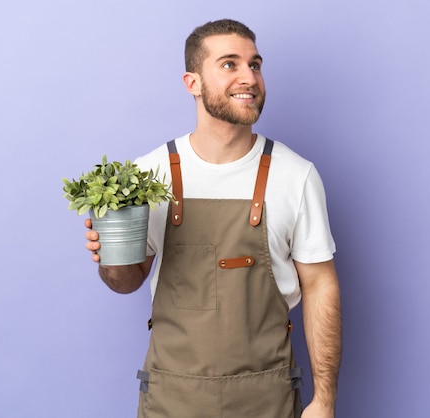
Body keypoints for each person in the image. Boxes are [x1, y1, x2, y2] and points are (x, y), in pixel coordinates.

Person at [84, 19, 342, 418]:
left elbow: (321, 285)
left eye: (254, 65)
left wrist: (324, 401)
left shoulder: (296, 175)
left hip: (266, 399)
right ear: (192, 83)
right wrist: (110, 257)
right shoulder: (149, 175)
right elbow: (127, 281)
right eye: (229, 64)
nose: (249, 77)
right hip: (172, 398)